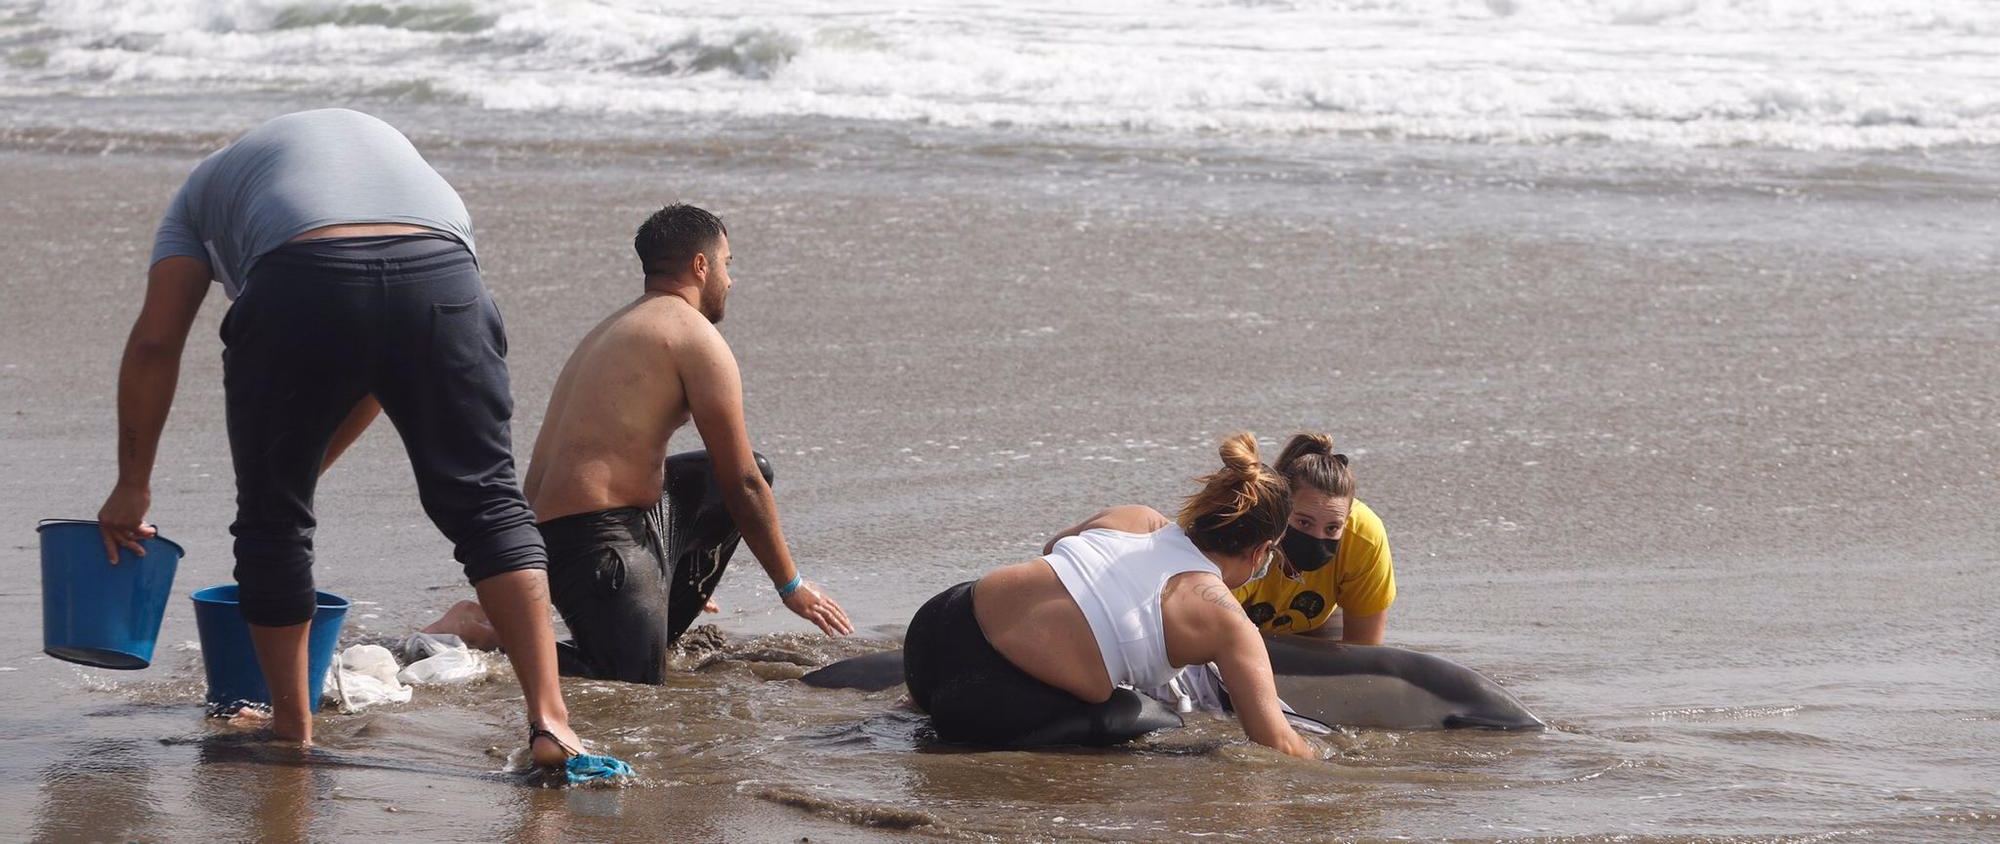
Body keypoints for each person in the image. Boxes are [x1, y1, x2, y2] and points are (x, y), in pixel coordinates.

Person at [93, 109, 586, 770]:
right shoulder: (382, 154)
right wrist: (304, 461)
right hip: (443, 273)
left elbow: (156, 341)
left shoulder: (197, 199)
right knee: (490, 504)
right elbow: (380, 360)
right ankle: (550, 722)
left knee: (273, 525)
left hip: (302, 280)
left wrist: (132, 485)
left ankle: (292, 731)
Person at [509, 202, 850, 682]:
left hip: (553, 526)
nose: (730, 281)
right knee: (632, 683)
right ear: (700, 265)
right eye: (727, 265)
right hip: (589, 539)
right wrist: (790, 585)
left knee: (738, 469)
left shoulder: (620, 325)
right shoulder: (695, 339)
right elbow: (743, 484)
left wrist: (675, 560)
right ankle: (489, 639)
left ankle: (651, 598)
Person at [901, 433, 1317, 759]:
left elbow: (1053, 551)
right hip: (985, 695)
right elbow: (1275, 741)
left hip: (933, 632)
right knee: (1156, 720)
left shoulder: (1134, 517)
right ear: (1262, 551)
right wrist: (1341, 768)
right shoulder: (1224, 616)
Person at [1233, 432, 1396, 643]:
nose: (1317, 538)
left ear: (1347, 521)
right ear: (1279, 509)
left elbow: (1365, 650)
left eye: (1332, 528)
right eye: (1304, 522)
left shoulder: (1363, 537)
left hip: (1314, 623)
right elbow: (1208, 630)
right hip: (1230, 625)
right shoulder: (1244, 533)